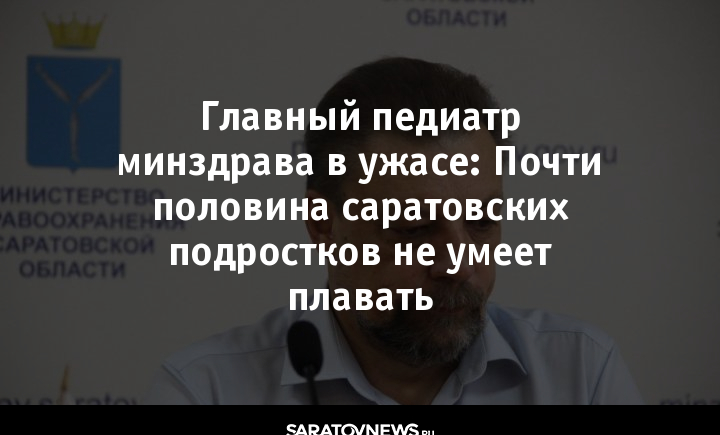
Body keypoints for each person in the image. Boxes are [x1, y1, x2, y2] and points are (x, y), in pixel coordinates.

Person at [144, 57, 644, 405]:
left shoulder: (581, 374)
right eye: (415, 230)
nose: (458, 265)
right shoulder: (206, 391)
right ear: (323, 224)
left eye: (480, 223)